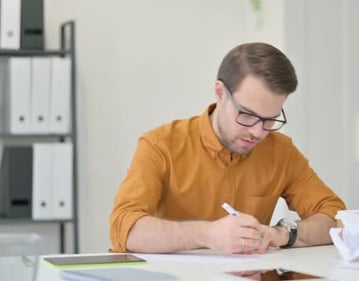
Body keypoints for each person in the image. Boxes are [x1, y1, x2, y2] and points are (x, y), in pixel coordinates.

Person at [109, 42, 346, 254]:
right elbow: (126, 229)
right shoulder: (161, 145)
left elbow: (335, 217)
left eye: (270, 119)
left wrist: (282, 234)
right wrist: (208, 234)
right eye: (247, 115)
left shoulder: (280, 152)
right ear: (220, 93)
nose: (258, 132)